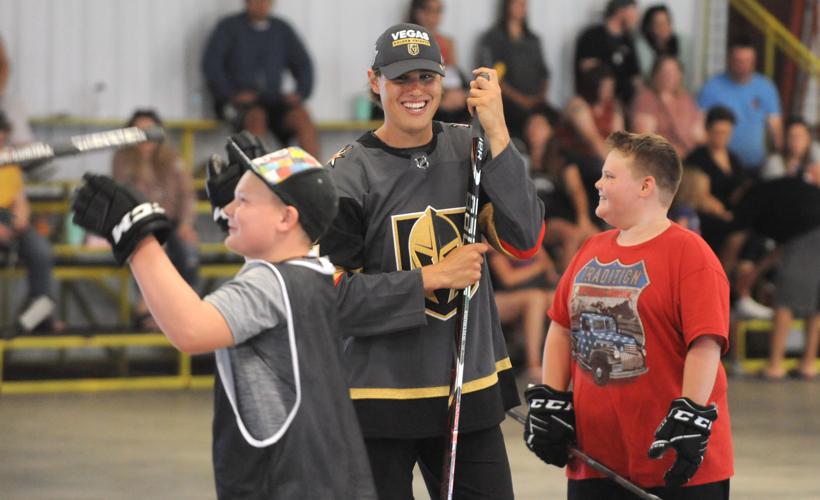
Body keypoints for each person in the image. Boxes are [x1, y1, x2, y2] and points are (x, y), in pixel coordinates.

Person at [70, 145, 377, 499]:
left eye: (243, 201)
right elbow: (264, 268)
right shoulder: (313, 272)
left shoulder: (270, 284)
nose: (229, 208)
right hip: (326, 479)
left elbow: (190, 329)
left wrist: (136, 238)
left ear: (286, 219)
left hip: (284, 485)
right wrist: (240, 220)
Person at [318, 22, 545, 500]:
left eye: (426, 77)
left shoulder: (472, 149)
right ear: (374, 82)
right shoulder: (347, 176)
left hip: (469, 390)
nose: (415, 91)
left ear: (444, 81)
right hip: (376, 401)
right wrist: (430, 278)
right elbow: (331, 302)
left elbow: (525, 241)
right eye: (401, 78)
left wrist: (501, 133)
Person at [525, 131, 733, 499]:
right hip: (595, 460)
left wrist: (692, 414)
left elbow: (706, 341)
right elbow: (561, 325)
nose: (597, 183)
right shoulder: (591, 249)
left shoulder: (691, 254)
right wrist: (553, 397)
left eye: (609, 176)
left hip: (674, 461)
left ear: (645, 186)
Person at [722, 177, 820, 381]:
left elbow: (734, 240)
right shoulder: (776, 194)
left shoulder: (749, 197)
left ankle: (775, 365)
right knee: (816, 301)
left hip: (810, 231)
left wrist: (722, 272)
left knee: (785, 298)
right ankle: (808, 364)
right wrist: (754, 273)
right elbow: (783, 248)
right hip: (809, 230)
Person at [111, 109, 199, 329]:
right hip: (140, 223)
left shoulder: (173, 158)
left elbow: (187, 194)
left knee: (188, 251)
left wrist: (187, 224)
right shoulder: (123, 159)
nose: (144, 136)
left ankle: (182, 309)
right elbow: (125, 196)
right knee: (147, 247)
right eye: (138, 131)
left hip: (171, 222)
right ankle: (146, 306)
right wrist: (142, 163)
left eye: (149, 131)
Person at [202, 0, 320, 157]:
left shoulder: (282, 29)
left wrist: (300, 92)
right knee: (257, 118)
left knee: (302, 117)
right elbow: (211, 66)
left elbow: (304, 64)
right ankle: (259, 176)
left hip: (274, 100)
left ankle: (314, 176)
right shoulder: (228, 28)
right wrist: (230, 95)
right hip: (241, 105)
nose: (261, 5)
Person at [0, 110, 58, 336]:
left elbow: (20, 198)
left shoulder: (11, 161)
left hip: (8, 216)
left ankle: (40, 312)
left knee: (41, 250)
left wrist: (21, 217)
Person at [523, 106, 598, 269]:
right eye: (531, 125)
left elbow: (576, 190)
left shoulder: (561, 160)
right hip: (539, 220)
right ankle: (563, 287)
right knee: (571, 235)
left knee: (597, 237)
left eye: (539, 125)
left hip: (563, 215)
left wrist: (583, 218)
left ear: (550, 131)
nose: (533, 130)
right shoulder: (520, 159)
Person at [698, 36, 782, 174]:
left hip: (756, 165)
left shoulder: (766, 87)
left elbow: (776, 127)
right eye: (738, 61)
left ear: (754, 61)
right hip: (720, 166)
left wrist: (780, 156)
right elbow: (700, 127)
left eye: (747, 61)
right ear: (729, 60)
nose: (742, 65)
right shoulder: (711, 87)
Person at [477, 0, 550, 139]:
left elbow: (544, 73)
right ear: (507, 5)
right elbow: (492, 76)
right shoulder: (493, 39)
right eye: (517, 3)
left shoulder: (533, 39)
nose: (522, 7)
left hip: (536, 103)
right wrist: (522, 100)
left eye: (524, 4)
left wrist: (540, 97)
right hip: (506, 104)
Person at [488, 246, 555, 383]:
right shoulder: (497, 249)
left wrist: (541, 263)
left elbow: (549, 270)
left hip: (533, 289)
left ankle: (561, 360)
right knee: (535, 299)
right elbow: (508, 279)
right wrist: (537, 267)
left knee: (555, 298)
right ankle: (533, 364)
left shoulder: (533, 245)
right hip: (496, 298)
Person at [408, 0, 470, 124]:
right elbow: (412, 79)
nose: (437, 16)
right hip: (428, 97)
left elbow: (455, 74)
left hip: (451, 95)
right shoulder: (409, 42)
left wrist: (462, 94)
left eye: (440, 11)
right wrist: (442, 97)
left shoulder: (447, 42)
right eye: (433, 11)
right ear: (420, 13)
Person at [630, 55, 704, 156]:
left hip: (690, 157)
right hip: (660, 160)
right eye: (665, 71)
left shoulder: (686, 99)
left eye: (674, 71)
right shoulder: (645, 100)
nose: (669, 75)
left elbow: (699, 134)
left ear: (680, 75)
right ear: (655, 74)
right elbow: (645, 140)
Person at [574, 0, 641, 105]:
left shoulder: (628, 40)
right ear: (621, 11)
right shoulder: (592, 36)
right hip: (597, 101)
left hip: (625, 101)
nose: (637, 16)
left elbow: (635, 75)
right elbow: (587, 69)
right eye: (633, 11)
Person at [761, 116, 820, 183]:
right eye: (792, 136)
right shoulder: (774, 161)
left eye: (800, 136)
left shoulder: (814, 151)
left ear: (808, 139)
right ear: (785, 139)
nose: (796, 141)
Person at [0, 35, 33, 146]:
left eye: (5, 64)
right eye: (1, 66)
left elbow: (25, 149)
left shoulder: (12, 105)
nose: (5, 72)